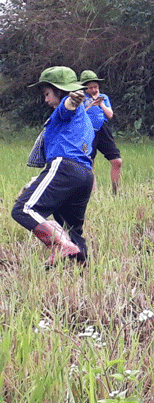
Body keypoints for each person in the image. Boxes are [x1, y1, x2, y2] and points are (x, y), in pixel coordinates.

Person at [12, 66, 95, 266]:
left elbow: (66, 107)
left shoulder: (64, 111)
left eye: (47, 94)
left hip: (64, 166)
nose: (46, 100)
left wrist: (71, 100)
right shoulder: (85, 121)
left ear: (60, 90)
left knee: (23, 209)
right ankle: (80, 267)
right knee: (71, 229)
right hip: (84, 175)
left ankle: (60, 246)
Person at [78, 70, 123, 195]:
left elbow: (109, 115)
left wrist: (101, 103)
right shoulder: (79, 98)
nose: (93, 90)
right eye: (90, 87)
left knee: (117, 161)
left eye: (95, 87)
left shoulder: (104, 97)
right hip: (87, 131)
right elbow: (77, 116)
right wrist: (90, 105)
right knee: (89, 163)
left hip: (103, 130)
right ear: (85, 88)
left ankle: (115, 193)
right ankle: (94, 194)